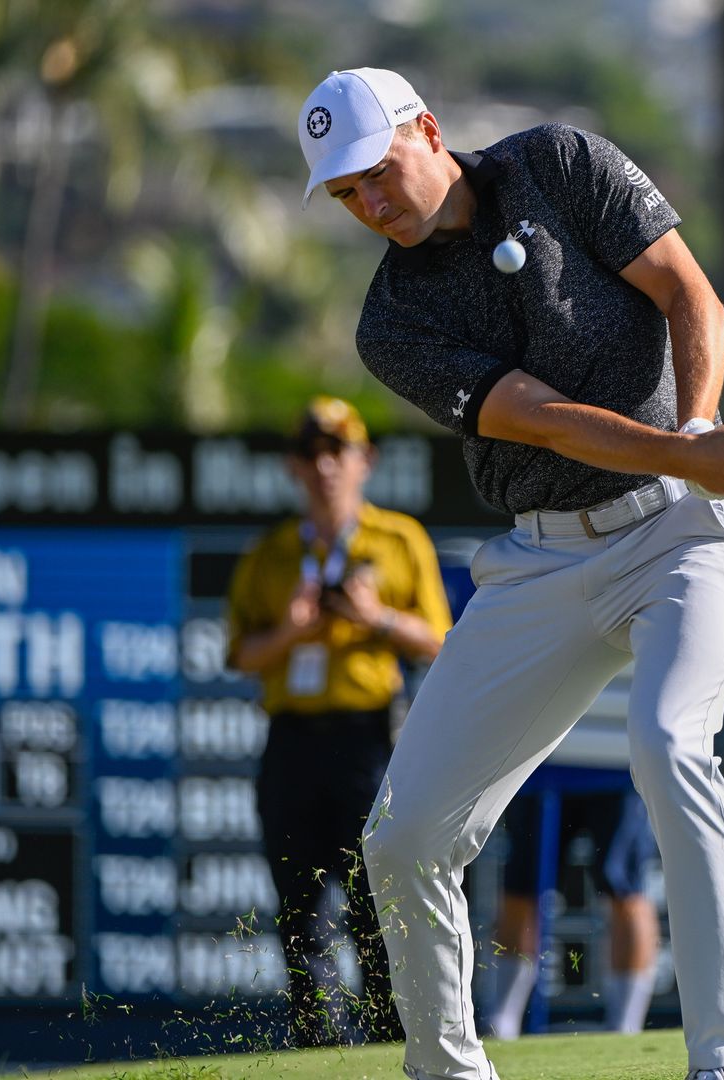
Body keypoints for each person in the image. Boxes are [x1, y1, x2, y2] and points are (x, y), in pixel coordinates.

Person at [296, 67, 724, 1080]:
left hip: (687, 532)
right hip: (542, 559)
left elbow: (692, 296)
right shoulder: (392, 324)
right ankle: (446, 1070)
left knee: (667, 744)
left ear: (429, 131)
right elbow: (541, 418)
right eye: (348, 196)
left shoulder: (561, 165)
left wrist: (698, 436)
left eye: (379, 174)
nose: (372, 206)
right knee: (404, 839)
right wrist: (686, 451)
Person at [226, 396, 455, 1047]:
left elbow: (442, 639)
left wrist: (376, 618)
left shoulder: (397, 540)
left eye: (338, 452)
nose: (325, 467)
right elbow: (241, 653)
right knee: (299, 903)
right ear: (293, 468)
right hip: (293, 742)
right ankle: (317, 1043)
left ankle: (390, 1039)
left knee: (376, 898)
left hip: (369, 739)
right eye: (311, 454)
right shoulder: (271, 553)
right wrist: (291, 633)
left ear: (365, 461)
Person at [486, 787, 661, 1038]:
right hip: (538, 765)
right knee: (521, 890)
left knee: (628, 892)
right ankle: (500, 1025)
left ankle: (626, 1030)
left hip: (618, 768)